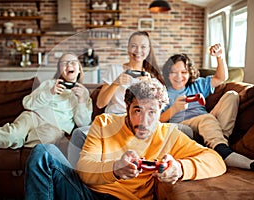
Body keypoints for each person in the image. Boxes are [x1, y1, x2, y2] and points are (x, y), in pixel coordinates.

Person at [25, 81, 226, 200]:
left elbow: (216, 161)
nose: (144, 121)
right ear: (127, 108)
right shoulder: (104, 122)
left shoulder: (170, 135)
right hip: (86, 193)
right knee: (43, 152)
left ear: (160, 112)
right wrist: (114, 169)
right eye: (137, 110)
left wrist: (180, 169)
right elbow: (85, 169)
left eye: (152, 112)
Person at [68, 31, 192, 167]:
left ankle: (174, 170)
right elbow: (100, 103)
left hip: (139, 122)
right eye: (134, 46)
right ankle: (75, 179)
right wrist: (116, 82)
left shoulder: (153, 76)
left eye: (143, 47)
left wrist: (150, 85)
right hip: (115, 121)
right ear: (128, 48)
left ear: (149, 50)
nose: (138, 50)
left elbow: (157, 114)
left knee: (185, 130)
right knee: (79, 134)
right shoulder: (115, 70)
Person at [0, 53, 92, 149]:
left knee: (43, 140)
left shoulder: (84, 94)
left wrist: (80, 101)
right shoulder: (49, 84)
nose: (69, 64)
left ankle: (14, 139)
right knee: (12, 136)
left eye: (73, 62)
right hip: (33, 117)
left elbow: (83, 124)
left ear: (79, 69)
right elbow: (27, 103)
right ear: (60, 69)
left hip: (55, 127)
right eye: (65, 63)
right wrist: (49, 93)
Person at [160, 44, 254, 171]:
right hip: (185, 126)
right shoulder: (164, 93)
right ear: (167, 74)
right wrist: (174, 109)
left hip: (208, 124)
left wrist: (220, 57)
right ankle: (224, 151)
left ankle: (220, 147)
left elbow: (221, 78)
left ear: (190, 73)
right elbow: (158, 120)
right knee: (205, 119)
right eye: (173, 72)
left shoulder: (197, 85)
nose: (179, 77)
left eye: (183, 72)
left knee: (232, 95)